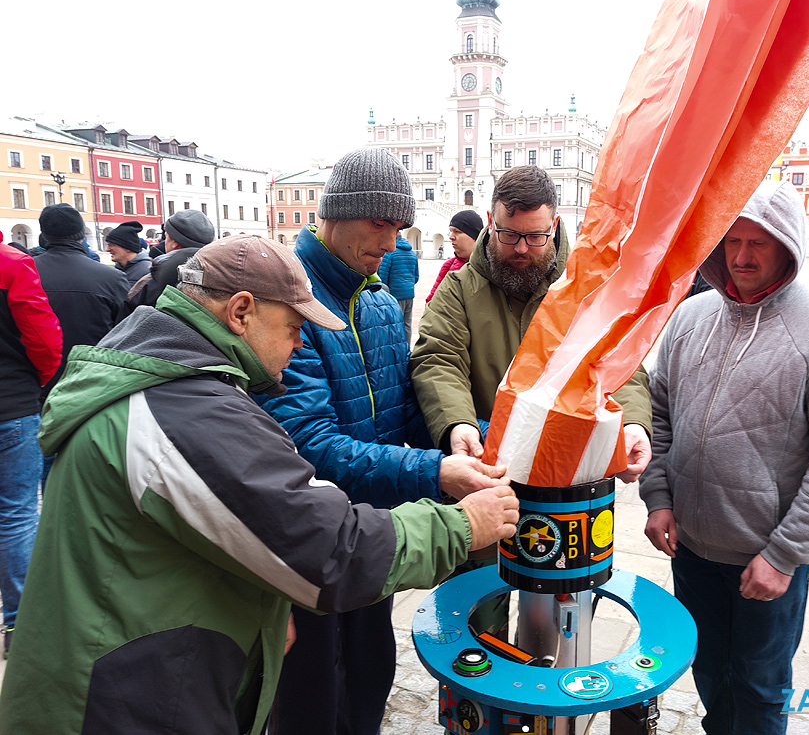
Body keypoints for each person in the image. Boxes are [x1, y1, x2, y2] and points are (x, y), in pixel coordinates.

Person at [0, 234, 519, 734]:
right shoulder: (184, 409)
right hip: (117, 699)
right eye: (293, 326)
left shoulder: (171, 377)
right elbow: (327, 547)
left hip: (132, 669)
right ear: (241, 311)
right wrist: (462, 524)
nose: (299, 342)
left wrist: (261, 611)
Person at [259, 148, 509, 735]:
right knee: (312, 699)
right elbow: (311, 444)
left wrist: (465, 439)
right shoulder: (291, 304)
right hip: (312, 542)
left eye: (399, 227)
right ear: (336, 215)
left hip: (373, 536)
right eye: (380, 224)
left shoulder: (375, 301)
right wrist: (436, 471)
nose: (393, 241)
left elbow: (402, 412)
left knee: (370, 677)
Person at [641, 179, 809, 734]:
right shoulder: (692, 317)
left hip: (767, 560)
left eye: (759, 243)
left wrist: (784, 555)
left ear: (788, 243)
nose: (741, 256)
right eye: (732, 241)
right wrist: (658, 498)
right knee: (709, 673)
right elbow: (658, 415)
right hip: (692, 547)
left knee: (761, 685)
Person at [411, 165, 652, 471]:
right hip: (486, 468)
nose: (521, 248)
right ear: (490, 221)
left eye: (536, 236)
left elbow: (619, 364)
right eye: (509, 234)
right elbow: (438, 360)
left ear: (555, 225)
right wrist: (458, 424)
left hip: (574, 473)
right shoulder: (459, 290)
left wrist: (632, 424)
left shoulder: (588, 287)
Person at [0, 232, 62, 658]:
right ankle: (19, 622)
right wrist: (37, 381)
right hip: (10, 404)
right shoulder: (11, 263)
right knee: (18, 513)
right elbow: (44, 339)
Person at [33, 204, 129, 393]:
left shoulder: (24, 272)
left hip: (38, 380)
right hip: (94, 380)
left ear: (44, 233)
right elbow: (126, 332)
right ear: (80, 233)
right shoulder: (111, 277)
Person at [120, 209, 216, 319]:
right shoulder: (222, 276)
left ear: (173, 242)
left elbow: (125, 323)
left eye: (166, 237)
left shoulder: (150, 282)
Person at [426, 210, 482, 302]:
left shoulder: (489, 268)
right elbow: (432, 301)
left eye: (457, 231)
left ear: (475, 236)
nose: (451, 236)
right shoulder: (448, 265)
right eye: (451, 231)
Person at [377, 232, 420, 343]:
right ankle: (407, 348)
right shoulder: (412, 254)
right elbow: (416, 276)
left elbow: (383, 275)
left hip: (395, 295)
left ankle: (398, 348)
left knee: (396, 324)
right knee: (407, 324)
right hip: (409, 294)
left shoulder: (390, 253)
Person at [105, 220, 152, 287]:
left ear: (127, 248)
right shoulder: (120, 268)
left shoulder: (146, 271)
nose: (107, 249)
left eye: (111, 245)